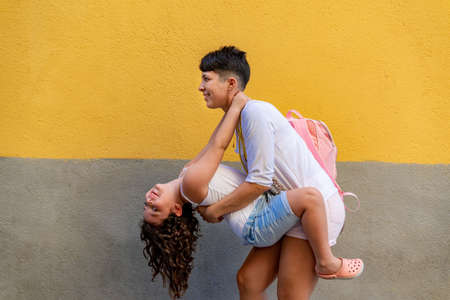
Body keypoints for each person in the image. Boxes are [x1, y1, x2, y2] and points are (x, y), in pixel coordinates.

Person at [140, 87, 363, 299]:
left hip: (260, 215)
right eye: (156, 209)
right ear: (177, 209)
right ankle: (326, 262)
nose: (150, 201)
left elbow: (212, 143)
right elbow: (218, 146)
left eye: (147, 206)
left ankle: (324, 261)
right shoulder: (189, 184)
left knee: (248, 281)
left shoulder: (186, 175)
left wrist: (232, 109)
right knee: (310, 198)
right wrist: (235, 107)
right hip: (256, 222)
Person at [195, 46, 363, 300]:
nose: (201, 87)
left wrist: (216, 210)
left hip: (313, 213)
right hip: (291, 210)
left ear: (230, 83)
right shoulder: (241, 118)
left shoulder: (255, 113)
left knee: (290, 296)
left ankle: (328, 262)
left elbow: (259, 183)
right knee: (248, 281)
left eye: (206, 78)